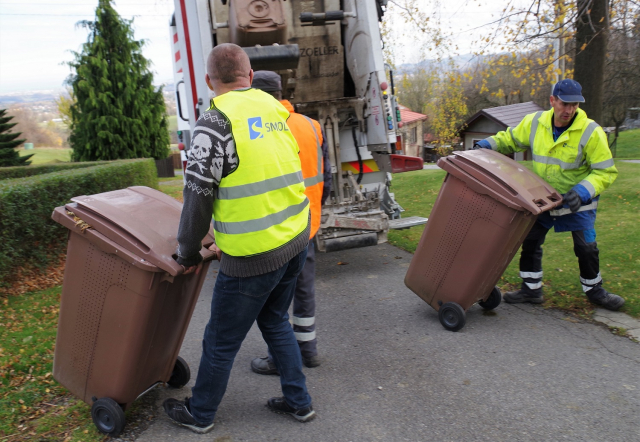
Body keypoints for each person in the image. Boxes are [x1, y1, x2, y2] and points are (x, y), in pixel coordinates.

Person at [162, 44, 316, 434]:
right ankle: (299, 403)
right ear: (249, 76)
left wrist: (187, 251)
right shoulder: (273, 108)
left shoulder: (212, 124)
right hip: (296, 238)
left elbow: (196, 201)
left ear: (210, 82)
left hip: (252, 256)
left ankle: (201, 413)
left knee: (219, 340)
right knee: (276, 321)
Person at [473, 79, 623, 311]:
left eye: (574, 105)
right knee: (530, 240)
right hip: (543, 199)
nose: (569, 110)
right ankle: (531, 290)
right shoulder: (535, 123)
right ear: (552, 101)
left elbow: (605, 171)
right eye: (564, 104)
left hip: (577, 202)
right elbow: (510, 139)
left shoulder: (591, 131)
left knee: (586, 248)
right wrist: (484, 144)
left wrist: (582, 191)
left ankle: (596, 292)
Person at [249, 71, 332, 375]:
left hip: (273, 227)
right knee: (304, 288)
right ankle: (308, 349)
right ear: (282, 92)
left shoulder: (256, 128)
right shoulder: (311, 126)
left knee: (275, 295)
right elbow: (327, 176)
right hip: (306, 223)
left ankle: (277, 358)